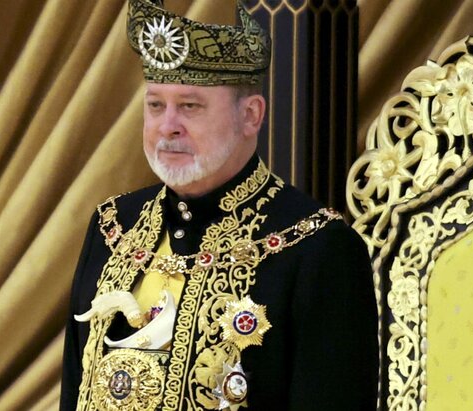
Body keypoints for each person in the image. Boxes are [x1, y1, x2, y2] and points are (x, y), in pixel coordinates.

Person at [60, 0, 378, 410]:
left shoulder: (318, 248)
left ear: (251, 116)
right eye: (156, 105)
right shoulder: (112, 226)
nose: (167, 126)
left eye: (189, 106)